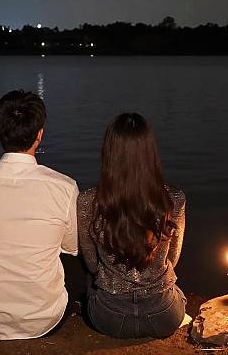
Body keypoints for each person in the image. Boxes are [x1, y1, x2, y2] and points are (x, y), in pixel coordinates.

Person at [0, 90, 79, 340]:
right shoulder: (64, 187)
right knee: (72, 255)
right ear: (39, 134)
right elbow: (71, 250)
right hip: (46, 319)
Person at [77, 113, 186, 339]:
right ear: (150, 153)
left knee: (91, 283)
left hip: (110, 317)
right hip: (163, 315)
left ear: (109, 153)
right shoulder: (173, 199)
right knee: (175, 290)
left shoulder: (88, 200)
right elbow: (173, 259)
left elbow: (90, 262)